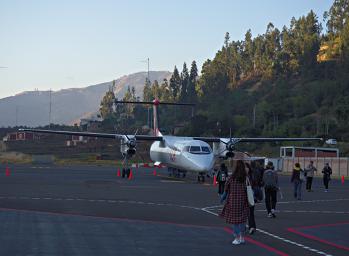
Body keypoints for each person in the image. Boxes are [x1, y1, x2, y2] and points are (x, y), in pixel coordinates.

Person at [220, 160, 249, 245]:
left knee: (235, 221)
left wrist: (222, 198)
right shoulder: (246, 178)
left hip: (233, 202)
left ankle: (236, 238)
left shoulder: (231, 178)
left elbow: (225, 191)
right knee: (242, 220)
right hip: (243, 201)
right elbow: (250, 190)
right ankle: (242, 237)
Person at [245, 162, 263, 235]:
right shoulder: (252, 175)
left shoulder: (249, 177)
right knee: (249, 212)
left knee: (249, 212)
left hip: (249, 195)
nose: (245, 169)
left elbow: (256, 186)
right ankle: (252, 226)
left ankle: (251, 227)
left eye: (246, 168)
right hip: (249, 195)